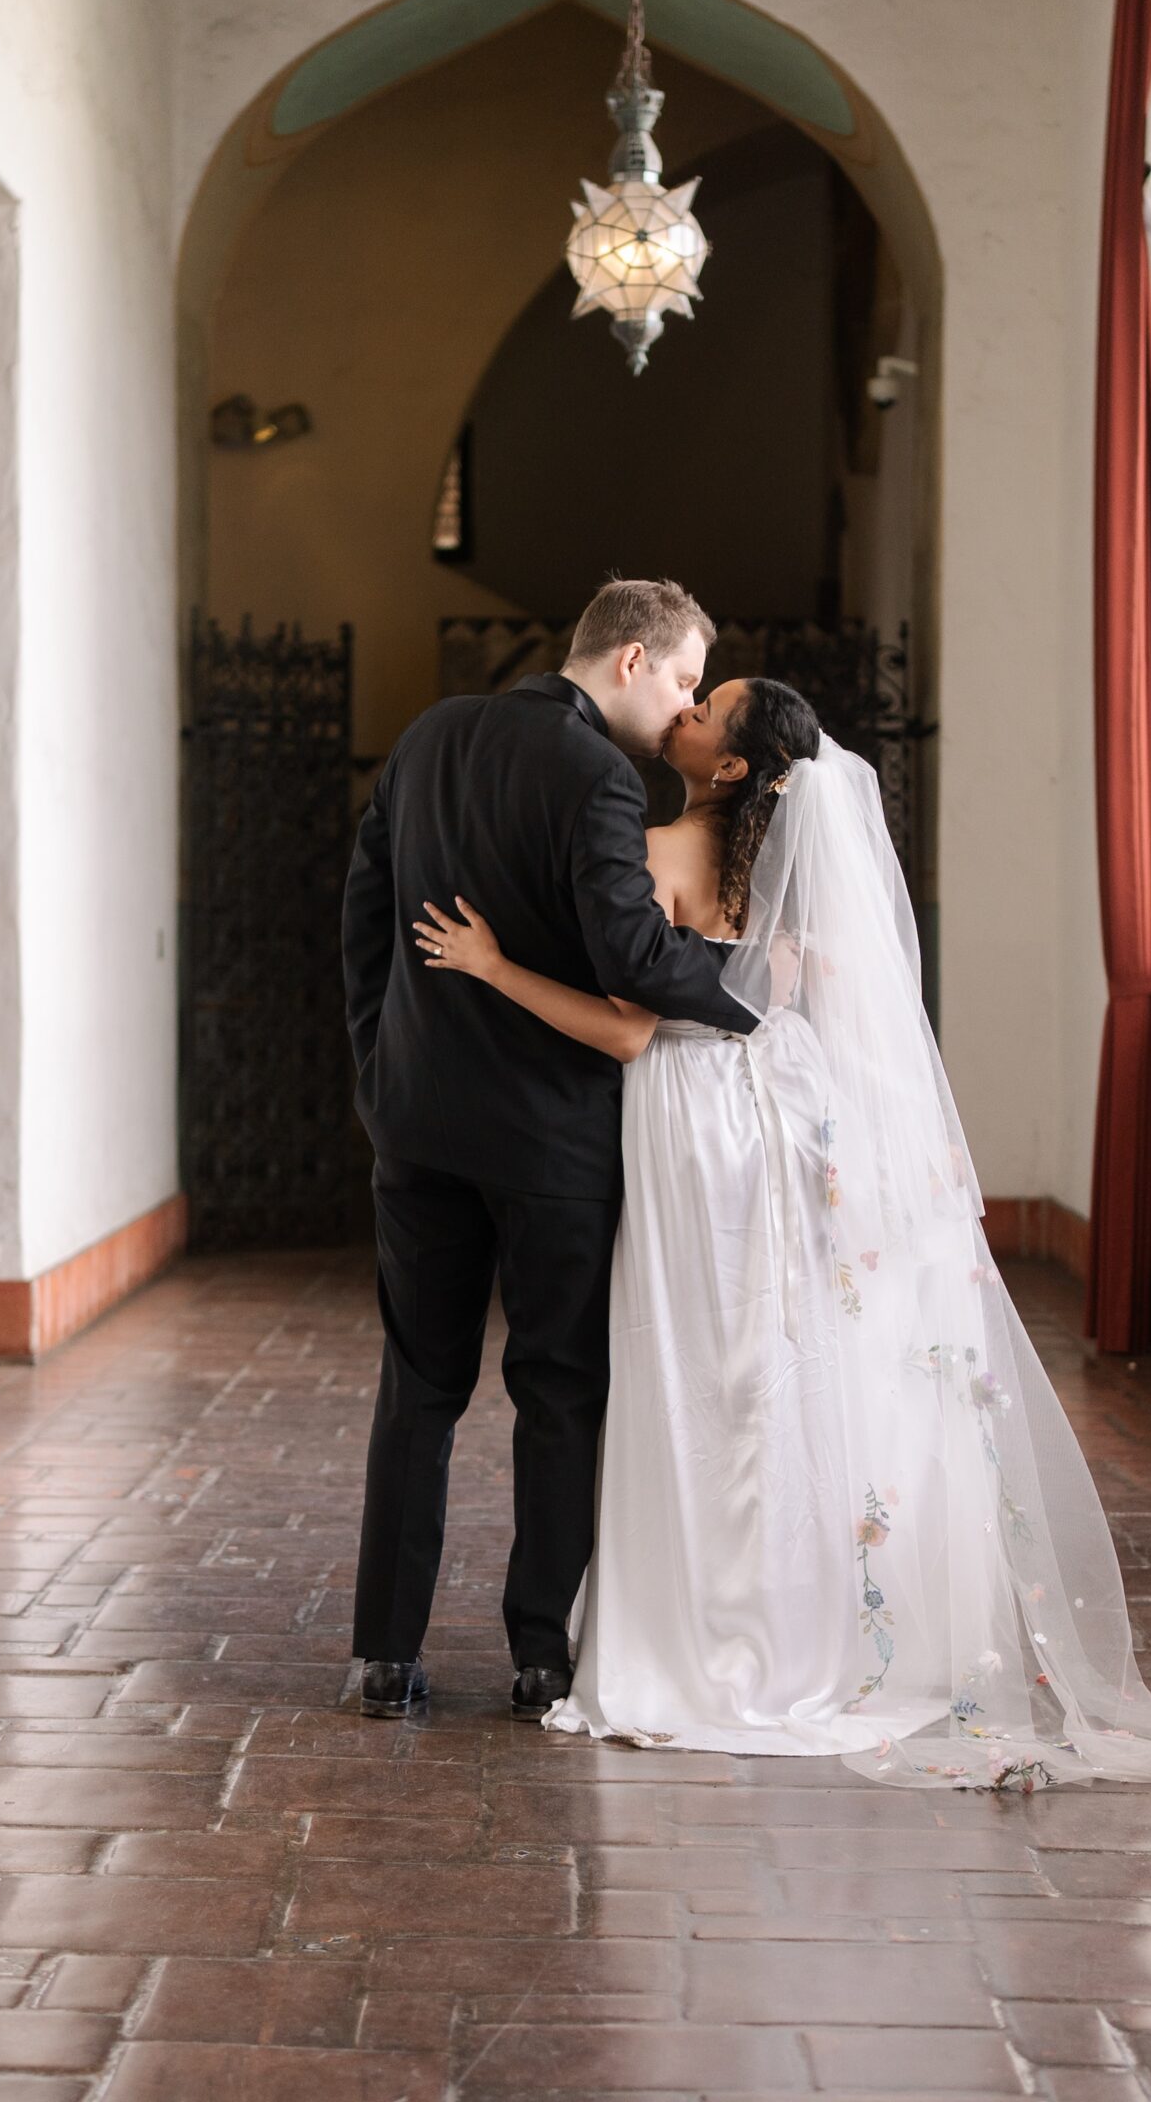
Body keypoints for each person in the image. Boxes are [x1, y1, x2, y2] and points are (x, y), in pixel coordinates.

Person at [418, 685, 1151, 1788]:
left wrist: (495, 967)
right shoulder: (786, 871)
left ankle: (714, 1635)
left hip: (696, 1120)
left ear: (734, 768)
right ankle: (800, 1624)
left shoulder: (656, 851)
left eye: (709, 709)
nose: (686, 709)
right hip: (787, 1112)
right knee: (778, 1367)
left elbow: (635, 1030)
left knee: (697, 1365)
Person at [341, 578, 756, 1722]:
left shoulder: (426, 738)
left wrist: (381, 1067)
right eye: (679, 678)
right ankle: (543, 1654)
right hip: (556, 1138)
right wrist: (756, 990)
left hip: (417, 1122)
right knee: (560, 1390)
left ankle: (383, 1652)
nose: (680, 708)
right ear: (628, 659)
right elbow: (630, 953)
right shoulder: (595, 778)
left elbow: (363, 912)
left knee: (417, 1387)